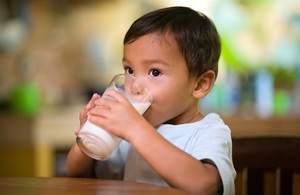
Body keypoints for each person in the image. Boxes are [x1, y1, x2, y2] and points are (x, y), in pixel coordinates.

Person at [66, 6, 236, 195]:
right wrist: (86, 141)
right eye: (129, 70)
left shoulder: (209, 131)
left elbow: (203, 185)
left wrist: (135, 130)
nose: (134, 86)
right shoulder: (129, 133)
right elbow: (78, 174)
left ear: (199, 85)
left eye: (155, 72)